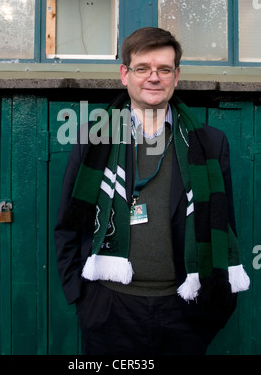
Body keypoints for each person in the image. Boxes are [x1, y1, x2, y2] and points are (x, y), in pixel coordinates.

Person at [55, 27, 250, 356]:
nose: (153, 77)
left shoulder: (209, 142)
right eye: (142, 68)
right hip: (109, 308)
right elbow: (68, 223)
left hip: (184, 309)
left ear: (177, 75)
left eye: (164, 69)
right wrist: (81, 295)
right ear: (124, 74)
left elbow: (223, 220)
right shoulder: (94, 137)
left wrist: (215, 300)